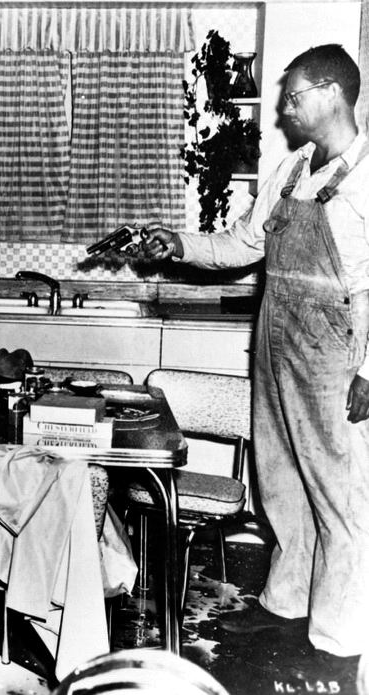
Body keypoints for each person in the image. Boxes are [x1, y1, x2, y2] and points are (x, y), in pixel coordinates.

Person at [140, 44, 369, 666]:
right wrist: (178, 243)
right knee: (280, 481)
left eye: (294, 97)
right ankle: (286, 602)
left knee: (342, 497)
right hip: (276, 342)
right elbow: (243, 244)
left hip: (335, 354)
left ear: (333, 93)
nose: (284, 109)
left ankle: (339, 636)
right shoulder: (292, 170)